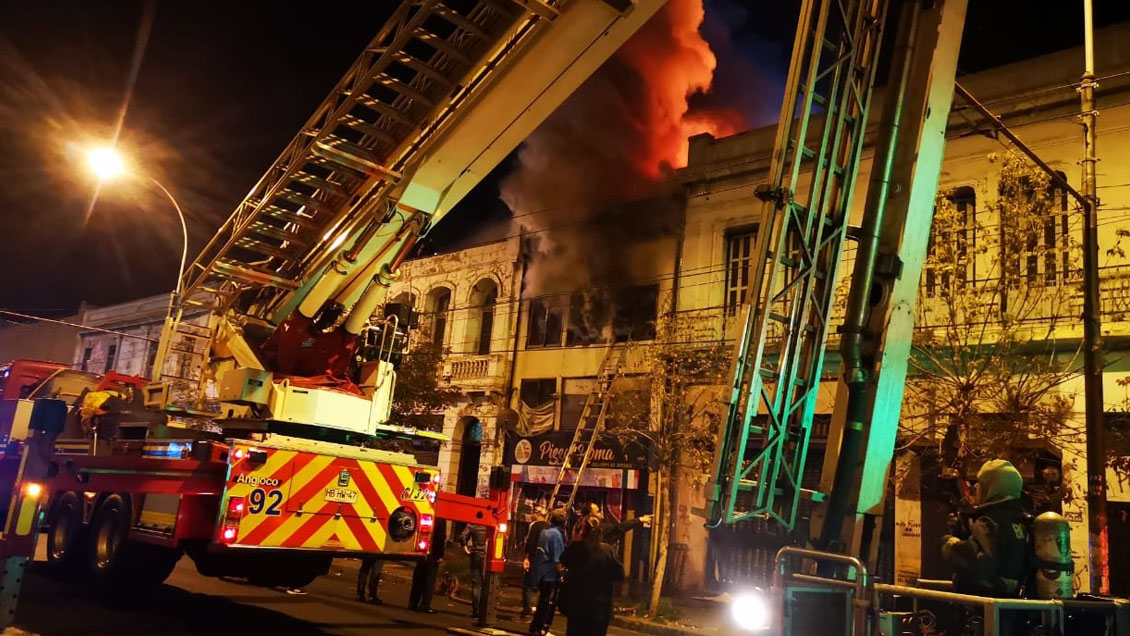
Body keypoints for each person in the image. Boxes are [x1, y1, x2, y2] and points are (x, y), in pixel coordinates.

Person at [941, 459, 1031, 597]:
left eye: (980, 484)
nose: (976, 488)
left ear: (991, 487)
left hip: (985, 605)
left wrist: (951, 546)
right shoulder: (1020, 521)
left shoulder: (989, 522)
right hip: (1011, 605)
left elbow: (980, 561)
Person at [559, 515, 625, 636]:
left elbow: (563, 559)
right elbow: (619, 575)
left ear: (582, 531)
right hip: (600, 607)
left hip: (577, 607)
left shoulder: (576, 548)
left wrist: (575, 539)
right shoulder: (608, 551)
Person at [528, 508, 566, 636]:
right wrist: (561, 574)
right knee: (548, 602)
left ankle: (534, 626)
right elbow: (557, 558)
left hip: (542, 571)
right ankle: (541, 627)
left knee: (542, 601)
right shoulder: (556, 535)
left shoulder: (545, 532)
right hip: (550, 574)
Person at [409, 519, 448, 613]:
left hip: (422, 550)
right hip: (433, 552)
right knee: (429, 579)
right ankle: (425, 604)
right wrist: (440, 554)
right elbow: (440, 537)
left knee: (418, 577)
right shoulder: (440, 519)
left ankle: (413, 603)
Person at [521, 509, 550, 617]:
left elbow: (530, 542)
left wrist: (526, 558)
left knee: (527, 585)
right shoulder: (549, 527)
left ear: (538, 515)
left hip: (534, 557)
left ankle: (527, 609)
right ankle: (540, 609)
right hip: (546, 559)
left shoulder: (535, 526)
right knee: (542, 586)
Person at [459, 522, 488, 619]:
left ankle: (476, 610)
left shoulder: (472, 524)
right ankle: (484, 611)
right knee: (486, 584)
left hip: (475, 554)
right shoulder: (490, 524)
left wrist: (466, 550)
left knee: (476, 584)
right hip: (487, 556)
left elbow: (462, 537)